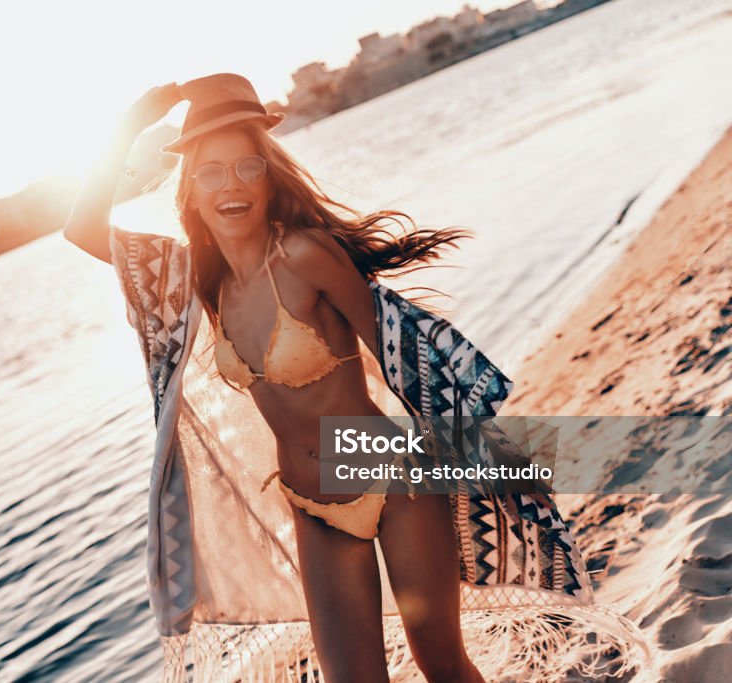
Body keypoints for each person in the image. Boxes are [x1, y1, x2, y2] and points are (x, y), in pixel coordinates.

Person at [64, 73, 648, 682]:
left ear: (268, 176)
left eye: (246, 167)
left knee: (443, 666)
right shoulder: (196, 284)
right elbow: (81, 230)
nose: (230, 186)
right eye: (210, 172)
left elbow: (403, 364)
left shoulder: (305, 255)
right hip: (312, 506)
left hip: (396, 480)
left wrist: (501, 465)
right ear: (190, 187)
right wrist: (129, 125)